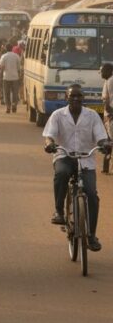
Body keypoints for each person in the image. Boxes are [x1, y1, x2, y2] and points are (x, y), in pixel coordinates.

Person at [43, 84, 110, 251]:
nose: (75, 99)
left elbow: (101, 136)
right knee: (61, 173)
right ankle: (59, 211)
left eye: (79, 96)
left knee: (92, 195)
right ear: (67, 98)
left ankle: (92, 235)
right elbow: (49, 136)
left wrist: (104, 144)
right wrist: (50, 144)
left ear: (83, 98)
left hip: (86, 159)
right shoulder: (58, 115)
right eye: (72, 96)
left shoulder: (92, 116)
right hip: (65, 155)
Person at [0, 44, 23, 114]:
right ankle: (14, 104)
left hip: (6, 77)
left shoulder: (4, 56)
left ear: (6, 48)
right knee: (15, 92)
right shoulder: (16, 56)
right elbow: (19, 68)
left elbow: (0, 66)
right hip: (15, 77)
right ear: (12, 48)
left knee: (6, 93)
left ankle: (8, 107)